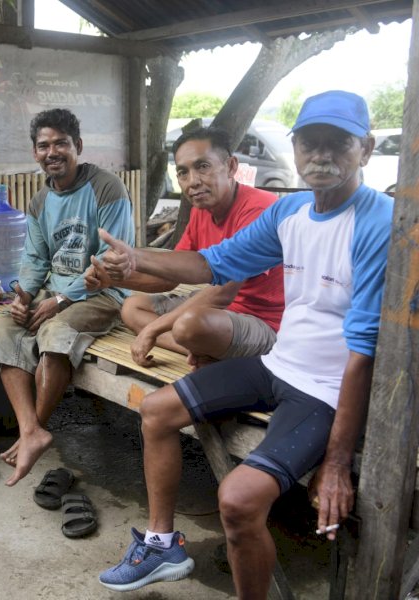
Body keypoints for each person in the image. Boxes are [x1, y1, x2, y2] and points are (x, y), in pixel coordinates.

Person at [97, 90, 393, 598]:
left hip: (324, 390)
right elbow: (212, 264)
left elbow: (363, 349)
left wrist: (338, 462)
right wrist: (136, 262)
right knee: (156, 410)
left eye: (337, 143)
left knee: (236, 500)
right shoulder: (292, 210)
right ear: (295, 149)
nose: (321, 155)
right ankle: (162, 543)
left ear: (364, 150)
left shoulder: (379, 223)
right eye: (310, 142)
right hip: (276, 363)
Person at [0, 108, 135, 487]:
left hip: (103, 292)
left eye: (61, 144)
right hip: (56, 292)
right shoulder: (39, 202)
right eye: (43, 145)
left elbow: (109, 262)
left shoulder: (106, 188)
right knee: (3, 328)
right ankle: (31, 431)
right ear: (35, 153)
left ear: (77, 147)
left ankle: (33, 432)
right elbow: (35, 258)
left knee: (55, 332)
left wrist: (61, 301)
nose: (52, 152)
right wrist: (25, 295)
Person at [85, 127, 284, 369]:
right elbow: (169, 279)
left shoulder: (259, 209)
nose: (193, 182)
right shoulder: (202, 210)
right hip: (216, 314)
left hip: (264, 323)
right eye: (183, 172)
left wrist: (153, 329)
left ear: (231, 166)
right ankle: (204, 353)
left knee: (187, 325)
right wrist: (112, 279)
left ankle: (207, 348)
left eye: (203, 167)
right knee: (131, 307)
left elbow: (223, 293)